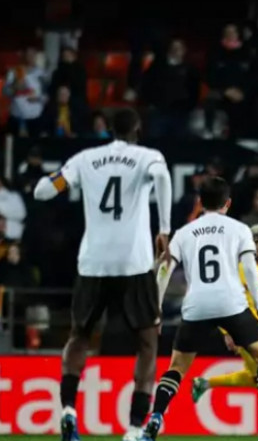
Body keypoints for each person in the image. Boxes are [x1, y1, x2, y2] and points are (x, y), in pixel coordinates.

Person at [32, 108, 173, 441]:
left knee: (79, 336)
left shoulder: (86, 159)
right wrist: (165, 228)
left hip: (93, 262)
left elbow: (42, 191)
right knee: (148, 341)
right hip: (133, 264)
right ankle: (135, 427)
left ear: (109, 129)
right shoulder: (147, 156)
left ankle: (67, 410)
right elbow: (164, 178)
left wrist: (57, 180)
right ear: (137, 129)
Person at [146, 177, 258, 441]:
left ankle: (154, 419)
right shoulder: (240, 229)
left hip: (196, 306)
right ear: (228, 203)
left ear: (200, 202)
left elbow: (164, 270)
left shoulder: (185, 232)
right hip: (232, 304)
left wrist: (156, 310)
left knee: (177, 368)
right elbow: (251, 270)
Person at [191, 223, 258, 397]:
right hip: (247, 330)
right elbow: (224, 298)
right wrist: (227, 331)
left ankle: (204, 384)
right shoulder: (242, 268)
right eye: (257, 242)